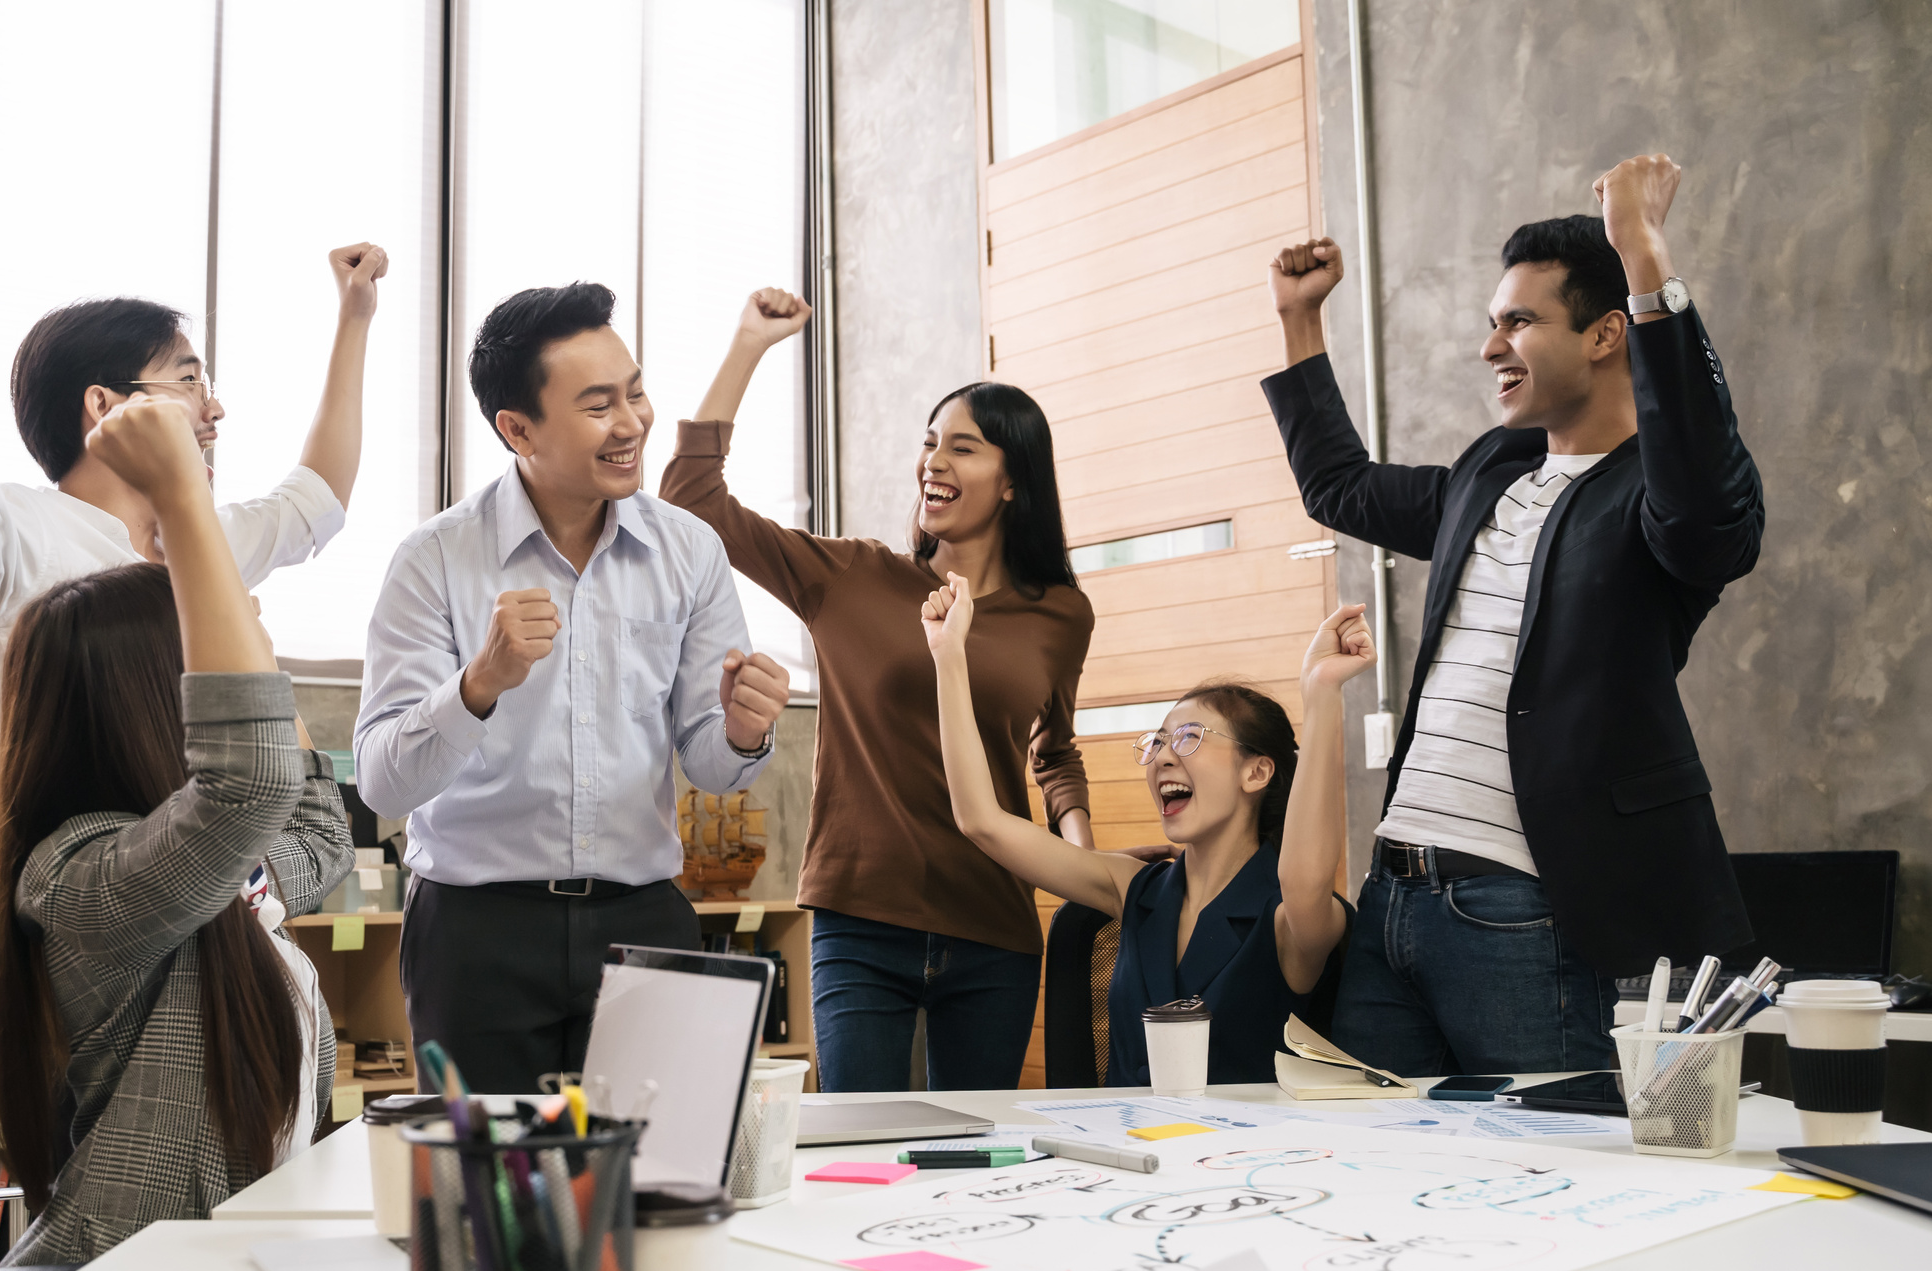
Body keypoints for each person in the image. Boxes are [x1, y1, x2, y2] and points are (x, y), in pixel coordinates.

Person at [1262, 153, 1763, 1078]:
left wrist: (1642, 250)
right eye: (1492, 323)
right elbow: (1339, 485)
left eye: (1520, 322)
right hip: (1394, 905)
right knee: (1381, 1176)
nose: (1492, 347)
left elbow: (1705, 491)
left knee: (1550, 1184)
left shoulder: (1662, 497)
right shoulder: (1491, 474)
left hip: (1526, 914)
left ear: (1609, 334)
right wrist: (1300, 318)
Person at [0, 80, 388, 737]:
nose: (212, 409)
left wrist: (354, 317)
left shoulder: (199, 539)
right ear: (103, 405)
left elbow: (316, 497)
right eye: (187, 382)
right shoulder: (17, 535)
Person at [355, 283, 789, 1093]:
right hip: (477, 929)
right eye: (598, 405)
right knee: (493, 1201)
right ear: (517, 429)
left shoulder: (688, 551)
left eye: (634, 393)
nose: (630, 424)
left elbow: (711, 765)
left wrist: (739, 731)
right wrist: (479, 683)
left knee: (662, 1189)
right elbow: (383, 781)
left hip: (644, 917)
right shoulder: (435, 559)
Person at [662, 289, 1095, 1092]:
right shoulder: (850, 578)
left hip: (993, 921)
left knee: (973, 1163)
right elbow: (693, 502)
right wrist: (749, 346)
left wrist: (1082, 865)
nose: (934, 460)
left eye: (963, 449)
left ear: (1012, 482)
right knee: (859, 1150)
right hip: (861, 915)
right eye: (930, 443)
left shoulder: (1060, 614)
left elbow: (1054, 752)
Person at [0, 395, 352, 1271]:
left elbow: (317, 834)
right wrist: (186, 503)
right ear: (159, 700)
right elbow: (251, 787)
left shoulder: (214, 883)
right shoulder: (82, 883)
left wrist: (256, 651)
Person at [926, 576, 1369, 1083]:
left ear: (1257, 772)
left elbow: (1308, 878)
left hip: (1241, 1159)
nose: (1162, 757)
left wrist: (1321, 692)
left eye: (1188, 737)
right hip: (1122, 1152)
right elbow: (981, 821)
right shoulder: (1133, 890)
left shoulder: (1290, 919)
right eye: (1156, 742)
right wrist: (947, 655)